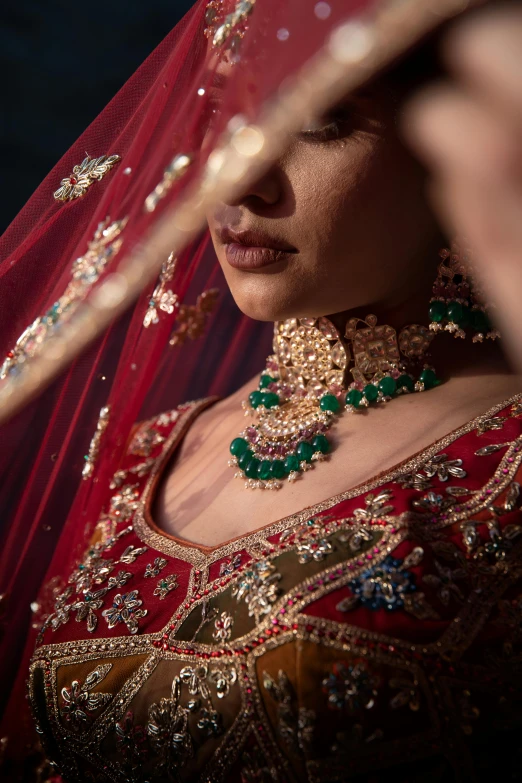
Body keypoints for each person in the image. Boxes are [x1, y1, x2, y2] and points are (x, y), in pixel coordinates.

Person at [1, 0, 522, 780]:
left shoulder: (507, 463)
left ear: (443, 141)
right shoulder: (153, 451)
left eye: (320, 122)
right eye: (226, 116)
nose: (240, 173)